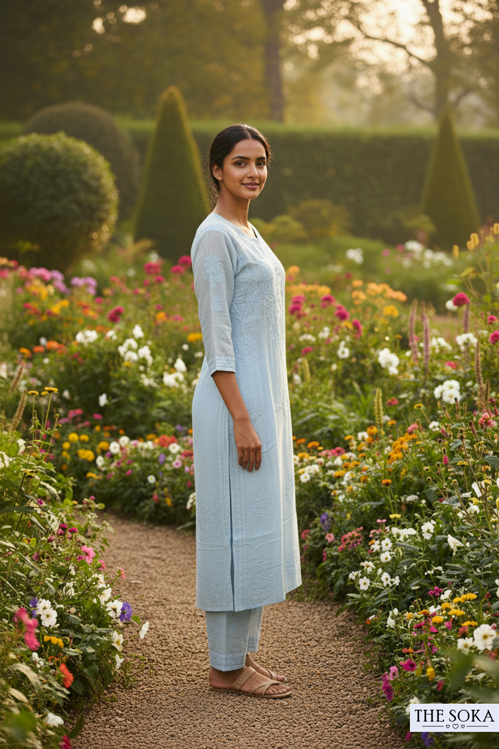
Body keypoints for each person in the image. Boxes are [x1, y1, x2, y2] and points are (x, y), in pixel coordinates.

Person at [191, 124, 301, 699]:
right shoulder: (215, 237)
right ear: (217, 170)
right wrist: (240, 418)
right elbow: (220, 340)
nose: (253, 172)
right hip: (232, 405)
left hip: (260, 403)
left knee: (255, 528)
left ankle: (241, 656)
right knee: (233, 529)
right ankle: (223, 667)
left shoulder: (249, 232)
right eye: (240, 162)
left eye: (260, 162)